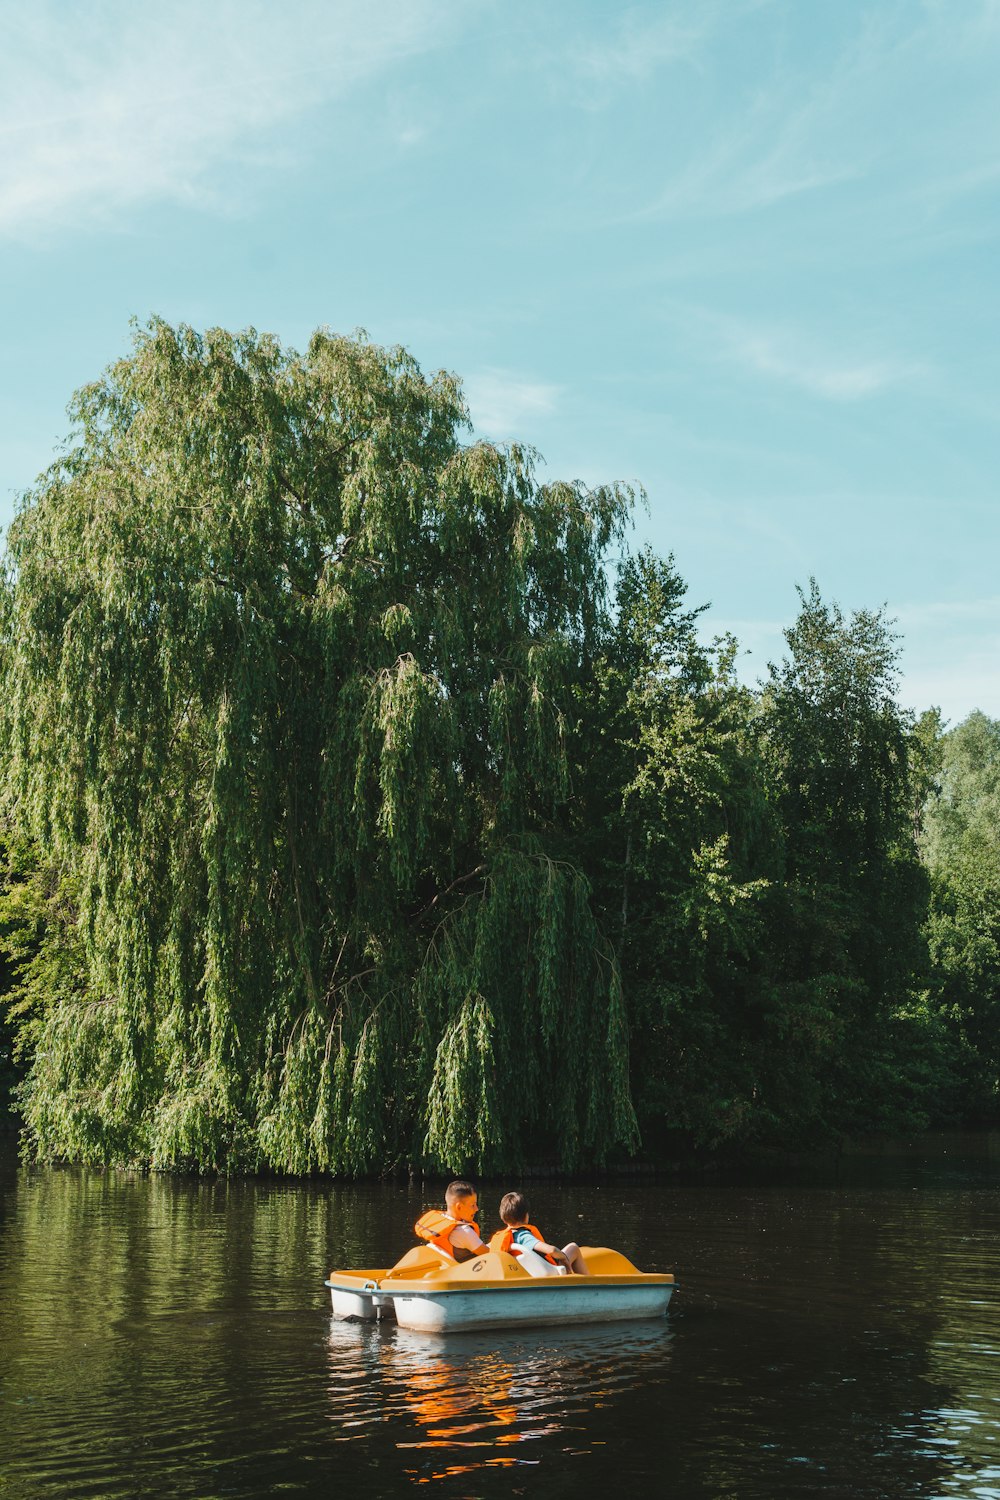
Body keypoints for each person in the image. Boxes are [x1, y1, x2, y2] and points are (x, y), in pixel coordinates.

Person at [489, 1191, 590, 1276]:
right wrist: (563, 1257)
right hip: (548, 1270)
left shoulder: (500, 1238)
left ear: (503, 1218)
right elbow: (552, 1250)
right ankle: (589, 1284)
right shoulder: (523, 1236)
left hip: (525, 1271)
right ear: (526, 1216)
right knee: (573, 1247)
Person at [414, 1180, 488, 1263]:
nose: (476, 1209)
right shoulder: (464, 1232)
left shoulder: (441, 1222)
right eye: (473, 1205)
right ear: (459, 1207)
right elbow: (491, 1255)